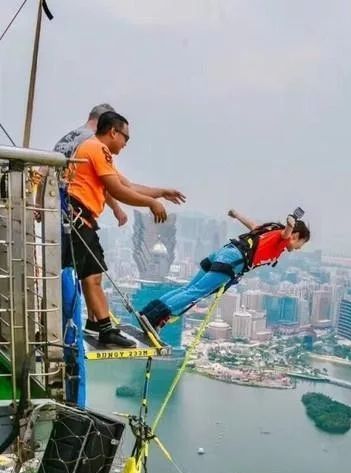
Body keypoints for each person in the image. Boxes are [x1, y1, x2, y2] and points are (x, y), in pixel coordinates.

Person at [62, 110, 186, 348]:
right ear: (113, 132)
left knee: (93, 276)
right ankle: (105, 328)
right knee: (86, 276)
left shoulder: (96, 151)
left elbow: (126, 185)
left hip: (81, 220)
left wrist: (160, 192)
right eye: (125, 137)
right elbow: (117, 191)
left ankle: (98, 324)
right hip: (78, 219)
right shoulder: (97, 149)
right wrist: (151, 203)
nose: (126, 143)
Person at [139, 208, 310, 329]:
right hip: (233, 261)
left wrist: (235, 214)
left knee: (189, 288)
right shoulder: (282, 238)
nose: (299, 248)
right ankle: (153, 318)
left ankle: (148, 311)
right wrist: (290, 223)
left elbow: (251, 225)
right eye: (301, 243)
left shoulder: (269, 230)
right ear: (296, 236)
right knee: (195, 292)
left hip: (224, 252)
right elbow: (286, 234)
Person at [52, 102, 128, 228]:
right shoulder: (93, 142)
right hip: (73, 211)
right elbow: (108, 180)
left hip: (54, 206)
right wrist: (117, 209)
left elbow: (44, 170)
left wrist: (38, 204)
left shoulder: (66, 139)